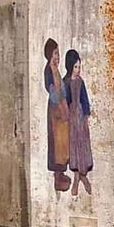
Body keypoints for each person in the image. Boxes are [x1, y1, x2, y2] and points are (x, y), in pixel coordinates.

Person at [64, 49, 93, 196]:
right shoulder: (66, 82)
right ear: (70, 67)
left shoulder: (81, 82)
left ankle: (83, 174)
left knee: (82, 143)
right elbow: (65, 100)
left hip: (80, 116)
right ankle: (76, 175)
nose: (78, 70)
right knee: (73, 144)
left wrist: (86, 115)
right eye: (75, 67)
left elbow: (85, 99)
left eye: (79, 67)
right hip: (71, 116)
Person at [44, 38, 70, 192]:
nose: (57, 57)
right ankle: (58, 175)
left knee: (62, 143)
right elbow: (54, 93)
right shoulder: (49, 70)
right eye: (55, 53)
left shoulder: (55, 70)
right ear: (49, 55)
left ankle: (62, 172)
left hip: (61, 109)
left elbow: (63, 92)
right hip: (55, 111)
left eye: (58, 53)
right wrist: (61, 104)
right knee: (57, 143)